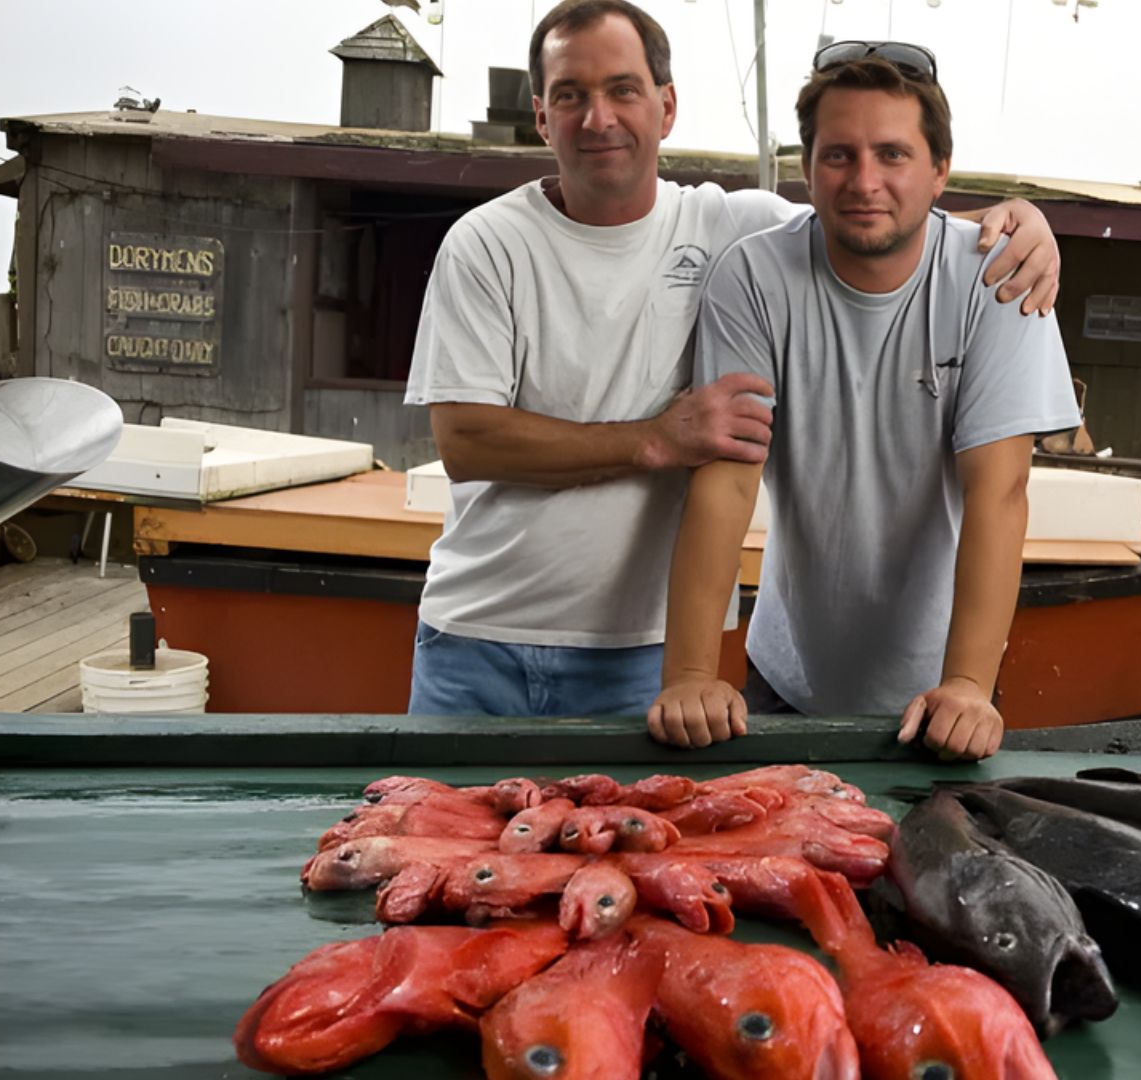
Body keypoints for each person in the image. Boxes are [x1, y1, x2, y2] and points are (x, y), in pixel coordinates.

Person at [403, 1, 1064, 719]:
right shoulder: (487, 244)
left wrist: (1017, 224)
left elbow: (875, 220)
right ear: (540, 115)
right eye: (571, 95)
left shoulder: (730, 226)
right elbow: (463, 440)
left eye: (622, 89)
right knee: (439, 831)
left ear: (667, 105)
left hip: (641, 649)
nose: (598, 118)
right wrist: (656, 439)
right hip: (478, 638)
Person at [647, 43, 1082, 761]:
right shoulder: (753, 276)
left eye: (892, 155)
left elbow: (998, 493)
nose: (865, 180)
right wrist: (692, 674)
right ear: (808, 169)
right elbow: (726, 478)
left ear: (940, 170)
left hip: (942, 689)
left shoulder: (997, 280)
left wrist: (970, 682)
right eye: (839, 155)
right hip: (785, 675)